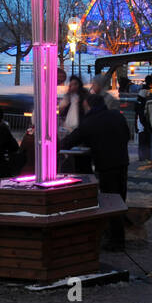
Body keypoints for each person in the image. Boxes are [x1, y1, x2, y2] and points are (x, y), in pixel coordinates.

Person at [63, 93, 132, 250]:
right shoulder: (116, 115)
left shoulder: (90, 122)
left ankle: (116, 240)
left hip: (106, 164)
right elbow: (127, 135)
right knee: (120, 199)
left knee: (110, 200)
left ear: (88, 105)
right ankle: (117, 236)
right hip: (122, 161)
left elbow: (70, 141)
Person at [59, 75, 85, 141]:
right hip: (68, 124)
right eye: (72, 84)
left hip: (79, 125)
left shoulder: (83, 97)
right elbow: (61, 108)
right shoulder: (68, 96)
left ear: (79, 85)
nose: (74, 86)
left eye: (75, 84)